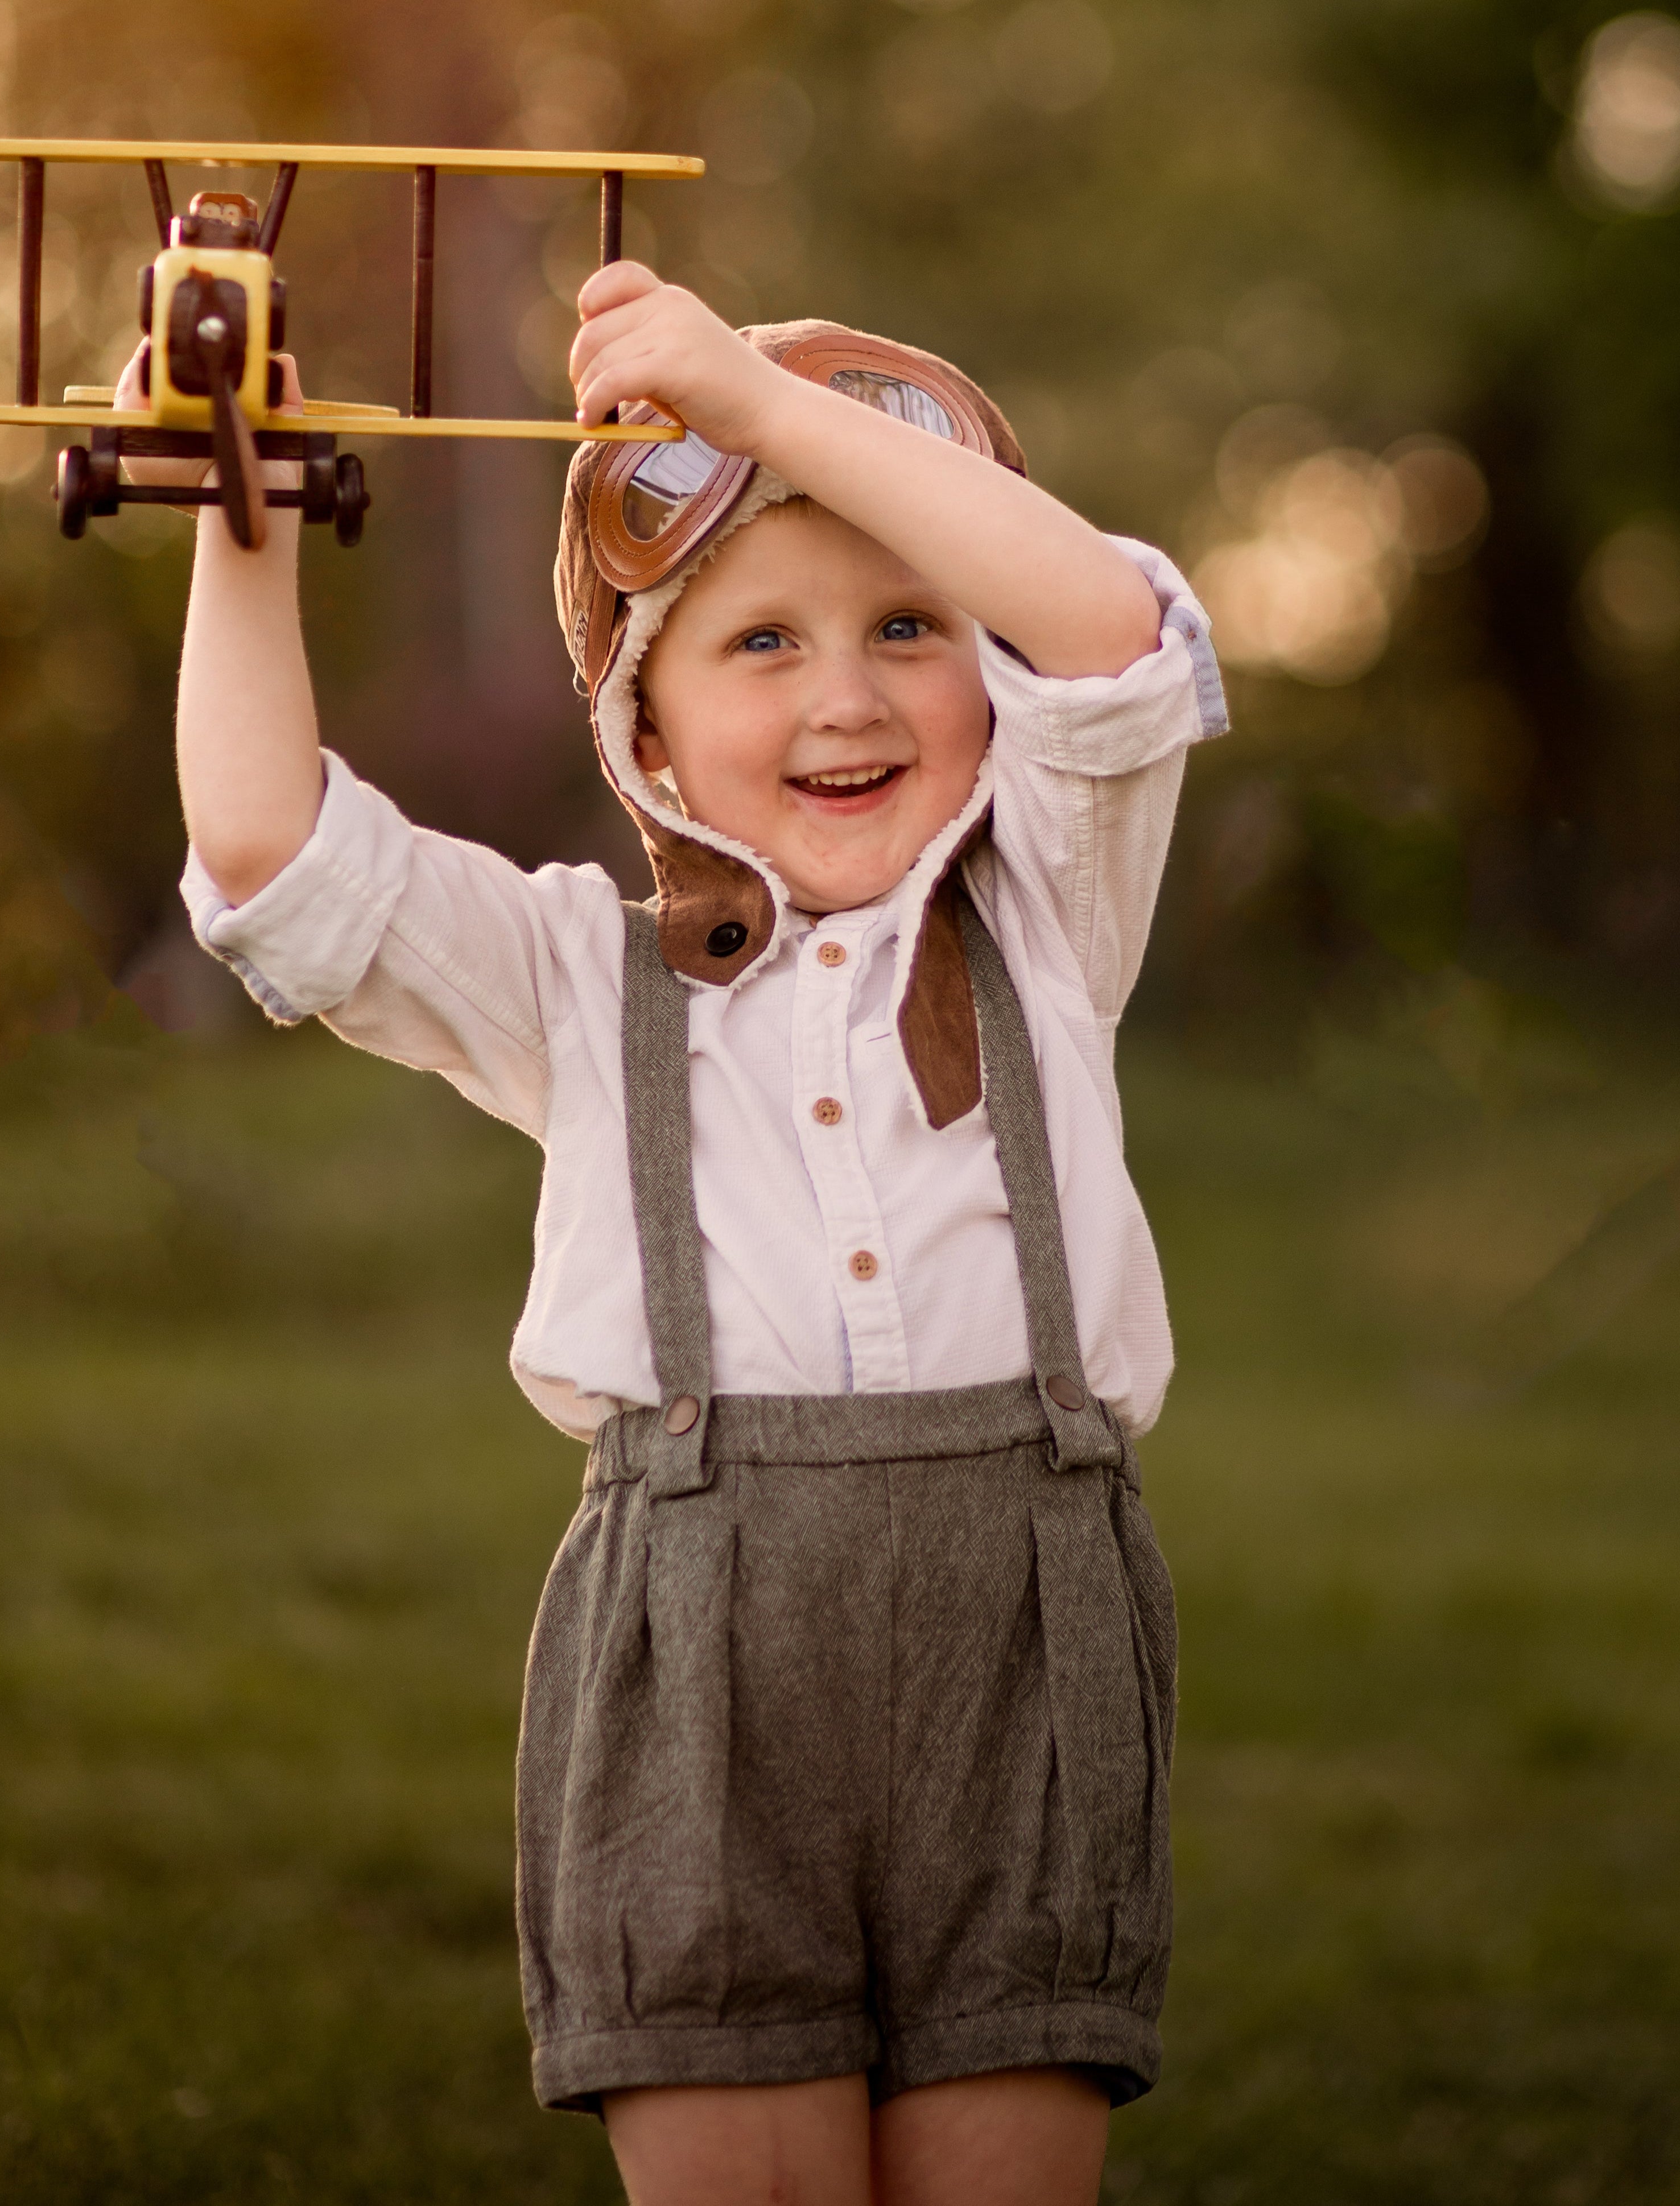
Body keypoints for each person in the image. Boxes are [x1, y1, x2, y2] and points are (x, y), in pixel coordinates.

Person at [156, 258, 1227, 2204]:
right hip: (698, 1652)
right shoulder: (585, 968)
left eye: (910, 624)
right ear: (640, 722)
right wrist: (249, 524)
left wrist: (762, 404)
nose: (847, 695)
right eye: (760, 646)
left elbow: (1110, 630)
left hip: (1025, 1635)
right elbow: (269, 852)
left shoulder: (1051, 907)